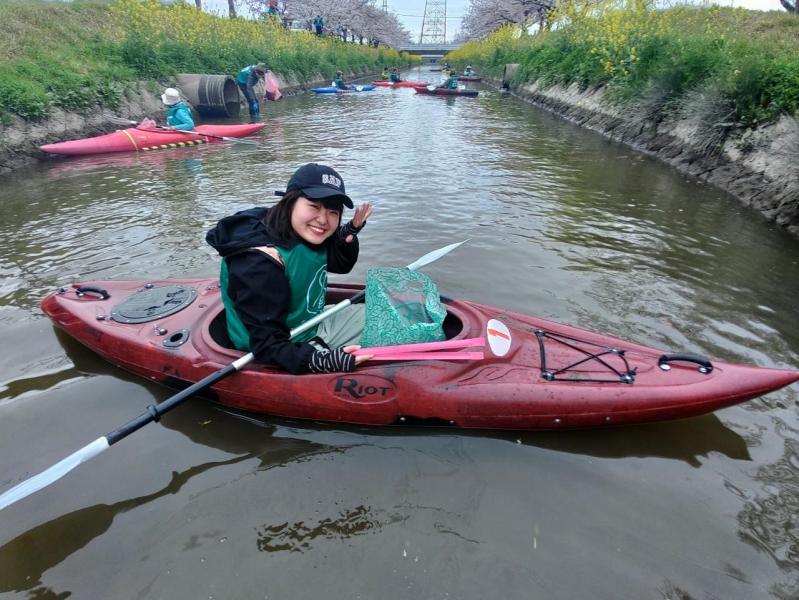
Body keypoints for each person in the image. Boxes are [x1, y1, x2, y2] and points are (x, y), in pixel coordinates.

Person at [206, 163, 374, 374]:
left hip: (307, 322)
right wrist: (319, 361)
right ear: (290, 202)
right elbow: (267, 345)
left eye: (333, 212)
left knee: (386, 312)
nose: (323, 220)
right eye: (314, 206)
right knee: (387, 332)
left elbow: (339, 265)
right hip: (283, 344)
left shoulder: (298, 231)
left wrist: (348, 234)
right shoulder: (258, 262)